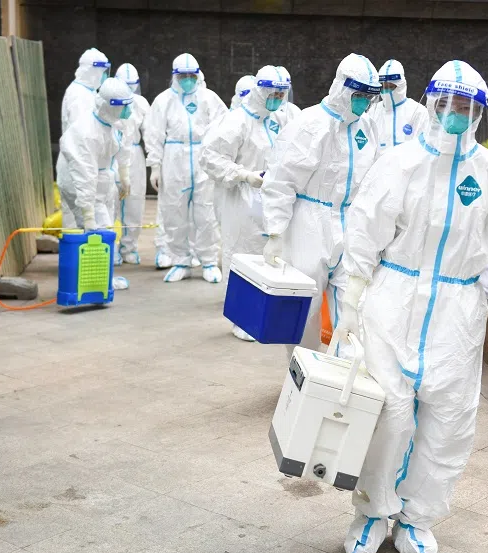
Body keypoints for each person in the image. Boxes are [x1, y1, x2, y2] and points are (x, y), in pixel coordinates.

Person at [335, 60, 488, 553]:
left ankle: (417, 520)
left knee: (449, 419)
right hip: (394, 298)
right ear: (432, 103)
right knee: (388, 413)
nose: (455, 114)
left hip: (458, 310)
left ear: (478, 113)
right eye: (448, 104)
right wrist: (349, 306)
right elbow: (365, 230)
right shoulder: (400, 163)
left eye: (467, 107)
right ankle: (371, 512)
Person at [261, 53, 381, 357]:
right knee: (304, 309)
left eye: (370, 97)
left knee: (354, 304)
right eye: (359, 95)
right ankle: (302, 377)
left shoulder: (367, 127)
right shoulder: (309, 124)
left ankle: (343, 381)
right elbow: (280, 181)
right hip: (308, 224)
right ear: (342, 88)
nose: (365, 102)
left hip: (350, 222)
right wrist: (275, 233)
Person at [202, 65, 291, 341]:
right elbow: (210, 157)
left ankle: (263, 313)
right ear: (259, 92)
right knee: (239, 255)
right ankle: (240, 318)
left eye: (280, 94)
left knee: (267, 255)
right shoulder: (237, 121)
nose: (276, 99)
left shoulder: (275, 120)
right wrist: (243, 174)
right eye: (272, 94)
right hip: (241, 197)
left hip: (269, 197)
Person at [145, 53, 228, 283]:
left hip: (203, 157)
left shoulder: (210, 99)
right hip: (174, 157)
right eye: (183, 76)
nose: (188, 80)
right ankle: (181, 260)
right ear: (175, 76)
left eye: (192, 75)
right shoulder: (163, 101)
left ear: (198, 75)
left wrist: (219, 159)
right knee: (174, 211)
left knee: (207, 212)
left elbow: (224, 127)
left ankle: (209, 261)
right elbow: (153, 134)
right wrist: (155, 165)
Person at [57, 77, 133, 233]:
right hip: (77, 182)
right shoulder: (86, 133)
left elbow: (123, 146)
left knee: (107, 228)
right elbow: (84, 174)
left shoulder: (115, 122)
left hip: (101, 180)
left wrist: (124, 176)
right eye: (123, 105)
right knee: (98, 232)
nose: (128, 110)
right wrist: (88, 215)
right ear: (109, 106)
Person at [112, 63, 151, 266]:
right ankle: (110, 248)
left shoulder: (141, 103)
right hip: (112, 154)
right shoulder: (107, 101)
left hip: (135, 154)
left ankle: (129, 248)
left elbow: (151, 132)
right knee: (110, 202)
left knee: (134, 203)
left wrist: (156, 160)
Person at [369, 59, 429, 155]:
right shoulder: (373, 112)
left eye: (391, 86)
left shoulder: (418, 112)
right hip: (377, 169)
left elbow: (424, 149)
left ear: (401, 86)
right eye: (383, 87)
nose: (386, 91)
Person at [61, 48, 111, 135]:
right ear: (92, 71)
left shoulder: (89, 91)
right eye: (103, 71)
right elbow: (81, 132)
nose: (105, 75)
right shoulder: (77, 94)